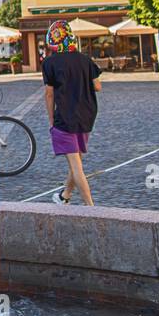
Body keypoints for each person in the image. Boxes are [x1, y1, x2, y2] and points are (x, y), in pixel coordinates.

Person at [41, 20, 101, 205]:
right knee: (77, 161)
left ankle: (91, 208)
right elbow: (97, 86)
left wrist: (51, 120)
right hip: (87, 116)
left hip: (65, 118)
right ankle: (64, 196)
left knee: (76, 166)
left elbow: (49, 94)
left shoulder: (50, 63)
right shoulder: (85, 59)